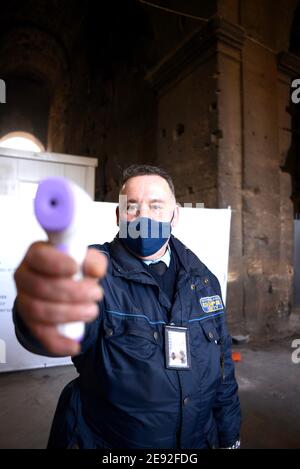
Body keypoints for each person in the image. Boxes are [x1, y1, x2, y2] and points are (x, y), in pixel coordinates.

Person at [13, 164, 241, 449]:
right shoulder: (92, 272)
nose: (144, 216)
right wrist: (37, 314)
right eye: (132, 207)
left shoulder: (204, 279)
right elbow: (57, 333)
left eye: (156, 206)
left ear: (175, 214)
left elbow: (223, 372)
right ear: (120, 216)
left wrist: (230, 436)